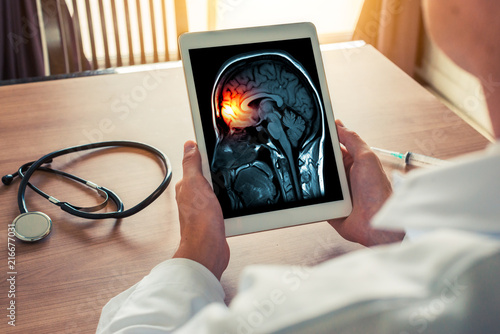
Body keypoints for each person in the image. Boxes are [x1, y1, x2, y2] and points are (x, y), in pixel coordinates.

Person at [97, 0, 500, 332]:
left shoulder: (331, 315)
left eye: (243, 135)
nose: (220, 156)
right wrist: (390, 234)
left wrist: (195, 258)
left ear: (290, 144)